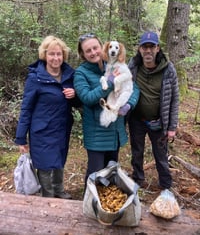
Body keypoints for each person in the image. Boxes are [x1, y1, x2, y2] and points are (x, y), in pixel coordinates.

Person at [15, 35, 80, 199]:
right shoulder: (35, 78)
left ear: (63, 55)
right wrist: (21, 138)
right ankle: (48, 197)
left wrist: (75, 94)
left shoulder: (69, 75)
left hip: (62, 128)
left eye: (59, 54)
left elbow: (78, 102)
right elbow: (26, 108)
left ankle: (59, 190)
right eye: (52, 54)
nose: (55, 58)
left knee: (59, 160)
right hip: (41, 130)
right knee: (44, 166)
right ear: (45, 55)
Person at [73, 33, 140, 191]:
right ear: (83, 54)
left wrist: (128, 105)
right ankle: (90, 205)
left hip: (115, 131)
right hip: (97, 134)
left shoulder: (114, 64)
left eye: (95, 47)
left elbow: (134, 88)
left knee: (111, 172)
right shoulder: (81, 73)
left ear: (101, 47)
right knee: (95, 174)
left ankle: (106, 207)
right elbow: (88, 98)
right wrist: (110, 83)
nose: (93, 52)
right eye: (88, 50)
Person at [127, 31, 179, 189]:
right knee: (137, 152)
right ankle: (137, 180)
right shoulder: (133, 66)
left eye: (152, 46)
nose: (148, 50)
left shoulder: (168, 69)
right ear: (140, 49)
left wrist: (171, 127)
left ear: (158, 48)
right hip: (137, 119)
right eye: (145, 46)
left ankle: (166, 186)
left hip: (158, 121)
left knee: (161, 155)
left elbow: (175, 99)